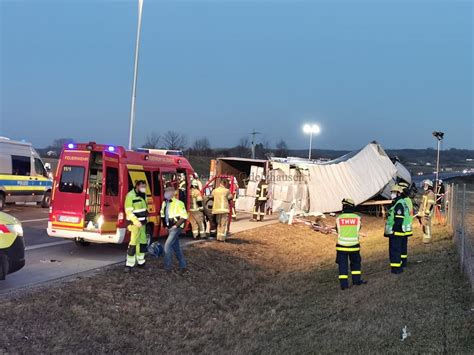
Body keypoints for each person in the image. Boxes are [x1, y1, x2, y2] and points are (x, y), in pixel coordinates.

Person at [335, 198, 367, 290]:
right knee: (356, 264)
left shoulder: (339, 218)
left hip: (342, 247)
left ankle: (344, 285)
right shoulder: (357, 218)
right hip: (354, 246)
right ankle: (356, 281)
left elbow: (337, 230)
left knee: (343, 266)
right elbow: (359, 229)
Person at [385, 185, 412, 274]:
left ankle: (396, 269)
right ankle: (397, 266)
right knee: (397, 250)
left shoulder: (399, 204)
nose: (392, 194)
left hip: (396, 232)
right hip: (397, 232)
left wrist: (393, 231)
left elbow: (399, 219)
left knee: (395, 251)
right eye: (392, 192)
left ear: (398, 193)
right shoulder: (400, 202)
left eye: (393, 192)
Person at [160, 185, 188, 272]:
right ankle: (183, 266)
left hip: (176, 228)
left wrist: (176, 225)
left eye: (168, 192)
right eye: (165, 192)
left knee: (167, 247)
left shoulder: (179, 203)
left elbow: (184, 217)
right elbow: (162, 214)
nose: (166, 193)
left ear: (172, 193)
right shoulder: (164, 203)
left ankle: (167, 268)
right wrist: (165, 225)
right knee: (176, 248)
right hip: (170, 228)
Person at [124, 180, 149, 273]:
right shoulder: (130, 196)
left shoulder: (144, 195)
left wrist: (146, 218)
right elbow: (128, 211)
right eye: (142, 186)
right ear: (137, 186)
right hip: (134, 224)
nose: (144, 188)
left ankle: (141, 262)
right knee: (133, 242)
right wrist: (135, 221)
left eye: (145, 186)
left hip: (143, 223)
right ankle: (129, 264)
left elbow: (145, 208)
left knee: (142, 241)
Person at [398, 181, 414, 267]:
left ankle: (401, 262)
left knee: (400, 246)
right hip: (407, 226)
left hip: (401, 226)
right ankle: (404, 261)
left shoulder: (402, 201)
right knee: (404, 246)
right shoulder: (409, 200)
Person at [417, 179, 436, 244]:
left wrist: (427, 213)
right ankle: (425, 236)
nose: (424, 186)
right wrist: (419, 212)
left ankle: (427, 239)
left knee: (427, 225)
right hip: (424, 213)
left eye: (426, 185)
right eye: (424, 185)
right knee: (424, 225)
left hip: (427, 213)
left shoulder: (431, 194)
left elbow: (430, 204)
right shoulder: (426, 193)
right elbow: (422, 203)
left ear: (429, 186)